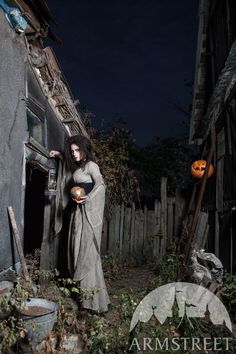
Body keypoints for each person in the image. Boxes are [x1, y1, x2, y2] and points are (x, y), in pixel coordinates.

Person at [50, 135, 110, 312]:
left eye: (77, 150)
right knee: (76, 251)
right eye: (72, 151)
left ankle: (93, 302)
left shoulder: (91, 166)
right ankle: (82, 298)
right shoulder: (79, 167)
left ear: (85, 150)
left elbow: (100, 184)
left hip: (87, 215)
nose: (74, 154)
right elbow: (71, 170)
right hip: (77, 215)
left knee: (86, 253)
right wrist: (61, 156)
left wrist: (88, 198)